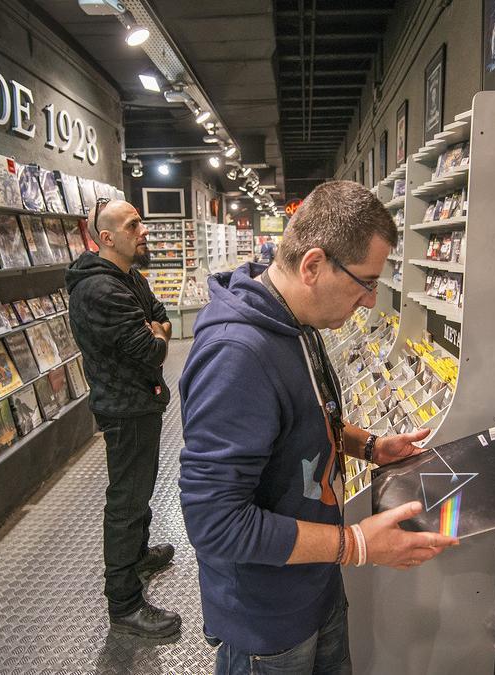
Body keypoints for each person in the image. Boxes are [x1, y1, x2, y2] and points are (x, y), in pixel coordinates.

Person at [179, 181, 459, 674]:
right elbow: (214, 523)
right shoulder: (236, 356)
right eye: (365, 282)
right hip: (267, 620)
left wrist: (369, 446)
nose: (371, 301)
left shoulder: (294, 319)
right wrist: (357, 545)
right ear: (312, 266)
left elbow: (302, 416)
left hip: (314, 584)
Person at [65, 198, 179, 640]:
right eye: (134, 225)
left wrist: (156, 328)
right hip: (125, 408)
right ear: (106, 237)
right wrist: (155, 333)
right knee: (127, 502)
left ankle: (136, 557)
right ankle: (125, 602)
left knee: (139, 491)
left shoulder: (127, 277)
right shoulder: (101, 290)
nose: (144, 230)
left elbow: (162, 318)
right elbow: (154, 347)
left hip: (140, 402)